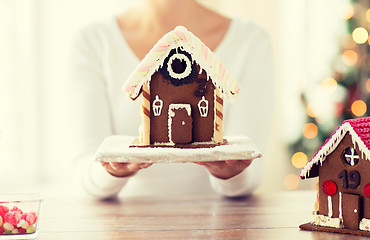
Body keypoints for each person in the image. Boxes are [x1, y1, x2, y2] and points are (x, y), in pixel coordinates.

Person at [69, 0, 273, 199]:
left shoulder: (250, 39)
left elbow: (252, 165)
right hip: (122, 225)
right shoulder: (93, 41)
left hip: (220, 224)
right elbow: (86, 170)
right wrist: (113, 169)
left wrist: (232, 174)